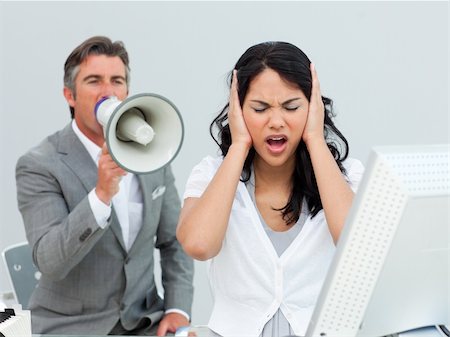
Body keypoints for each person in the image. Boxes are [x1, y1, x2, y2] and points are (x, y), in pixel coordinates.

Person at [176, 41, 364, 337]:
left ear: (313, 107)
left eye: (291, 107)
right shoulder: (211, 174)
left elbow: (359, 247)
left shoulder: (348, 175)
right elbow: (199, 245)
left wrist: (315, 137)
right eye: (260, 108)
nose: (276, 122)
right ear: (237, 109)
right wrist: (239, 145)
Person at [15, 36, 194, 336]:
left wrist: (178, 309)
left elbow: (175, 241)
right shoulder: (40, 165)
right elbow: (50, 262)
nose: (108, 91)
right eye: (94, 81)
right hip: (71, 327)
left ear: (127, 91)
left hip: (143, 324)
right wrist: (100, 196)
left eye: (117, 81)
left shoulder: (152, 156)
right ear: (69, 95)